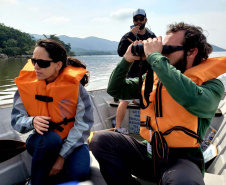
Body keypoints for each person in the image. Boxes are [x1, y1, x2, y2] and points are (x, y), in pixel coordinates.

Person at [90, 22, 226, 185]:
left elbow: (191, 98)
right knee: (101, 140)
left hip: (181, 161)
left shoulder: (211, 85)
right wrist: (127, 59)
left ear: (191, 52)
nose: (161, 54)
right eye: (160, 49)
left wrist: (155, 56)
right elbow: (116, 90)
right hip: (149, 155)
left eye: (166, 50)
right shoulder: (152, 80)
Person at [11, 39, 94, 185]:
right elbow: (16, 121)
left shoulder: (76, 89)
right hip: (42, 142)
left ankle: (47, 176)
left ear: (58, 65)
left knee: (80, 172)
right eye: (33, 61)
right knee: (52, 139)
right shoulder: (25, 87)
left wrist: (61, 157)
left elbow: (84, 125)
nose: (36, 67)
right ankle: (35, 182)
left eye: (42, 63)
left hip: (73, 140)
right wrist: (32, 121)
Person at [115, 8, 156, 134]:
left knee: (152, 99)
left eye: (140, 19)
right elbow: (121, 53)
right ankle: (117, 127)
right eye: (135, 19)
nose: (138, 21)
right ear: (133, 20)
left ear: (145, 20)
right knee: (124, 100)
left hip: (147, 74)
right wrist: (130, 34)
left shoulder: (151, 36)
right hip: (131, 73)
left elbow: (157, 54)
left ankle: (151, 129)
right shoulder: (128, 36)